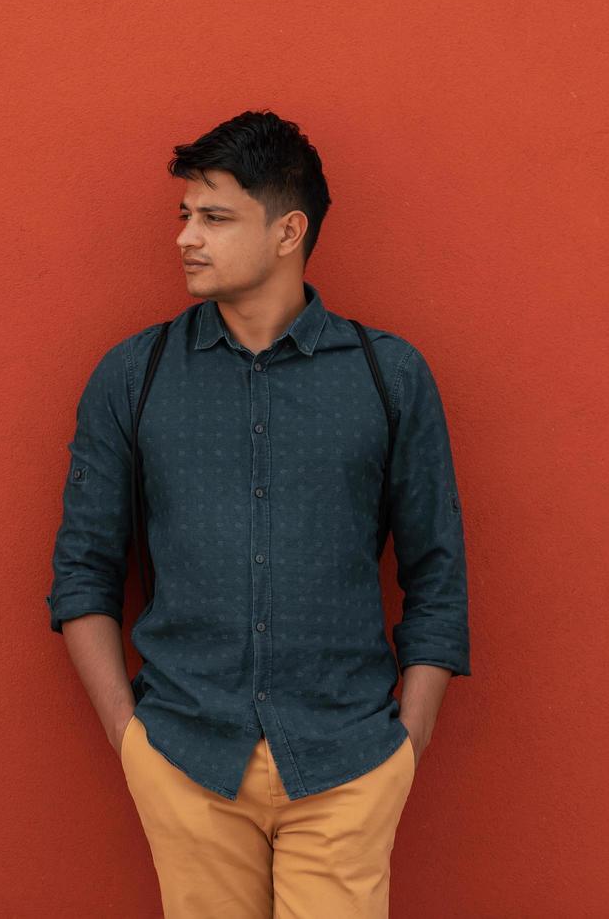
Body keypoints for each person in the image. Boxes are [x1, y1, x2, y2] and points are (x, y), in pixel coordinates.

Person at [47, 110, 470, 917]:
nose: (185, 238)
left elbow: (437, 578)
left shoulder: (390, 375)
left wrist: (403, 749)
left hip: (350, 759)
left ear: (288, 231)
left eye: (214, 217)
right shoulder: (134, 375)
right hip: (185, 757)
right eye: (184, 216)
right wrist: (129, 739)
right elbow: (82, 574)